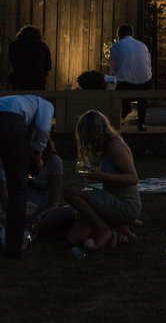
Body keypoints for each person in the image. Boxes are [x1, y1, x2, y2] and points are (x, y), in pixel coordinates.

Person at [64, 110, 140, 250]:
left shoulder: (114, 146)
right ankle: (118, 227)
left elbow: (133, 178)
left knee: (70, 190)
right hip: (111, 202)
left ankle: (105, 229)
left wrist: (102, 176)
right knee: (74, 240)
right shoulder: (107, 147)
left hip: (124, 205)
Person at [0, 94, 54, 257]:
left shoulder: (14, 101)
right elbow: (44, 128)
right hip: (12, 124)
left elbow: (2, 168)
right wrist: (37, 157)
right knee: (18, 189)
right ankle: (14, 246)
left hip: (9, 121)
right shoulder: (46, 103)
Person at [0, 139, 75, 238]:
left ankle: (25, 229)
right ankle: (27, 230)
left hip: (42, 212)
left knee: (71, 211)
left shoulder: (54, 162)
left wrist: (38, 215)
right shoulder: (16, 158)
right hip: (18, 210)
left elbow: (54, 202)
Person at [108, 24, 152, 132]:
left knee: (112, 87)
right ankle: (142, 122)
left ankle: (115, 121)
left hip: (125, 84)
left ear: (119, 35)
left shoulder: (116, 46)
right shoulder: (142, 45)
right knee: (142, 95)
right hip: (145, 83)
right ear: (132, 34)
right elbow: (148, 64)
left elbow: (113, 68)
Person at [7, 26, 52, 91]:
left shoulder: (13, 45)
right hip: (38, 82)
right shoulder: (42, 46)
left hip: (20, 80)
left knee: (11, 74)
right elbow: (48, 67)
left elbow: (14, 64)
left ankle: (18, 90)